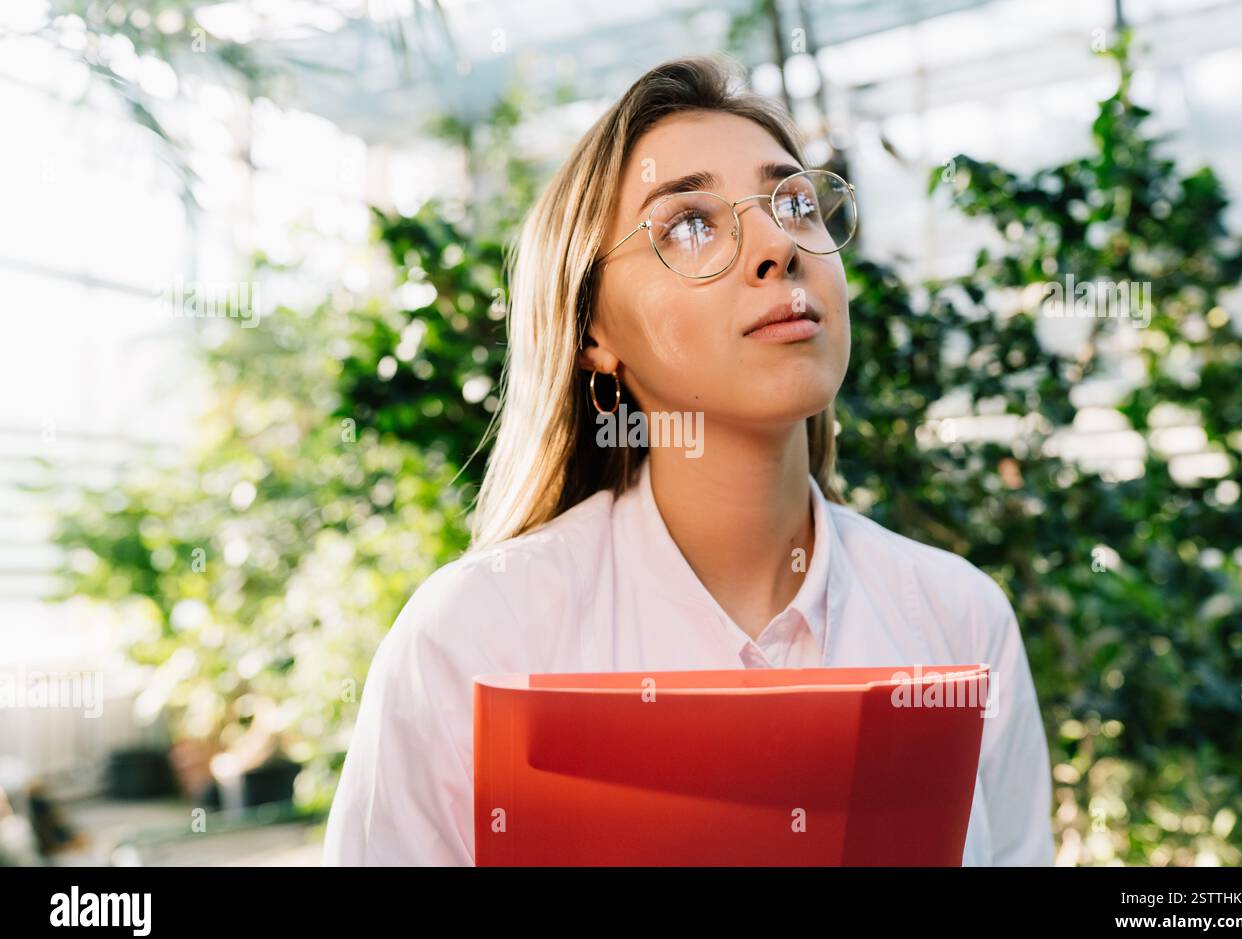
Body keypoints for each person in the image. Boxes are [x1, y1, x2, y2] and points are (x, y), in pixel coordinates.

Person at [322, 53, 1054, 867]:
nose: (779, 244)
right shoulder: (474, 638)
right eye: (690, 224)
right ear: (593, 333)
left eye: (795, 204)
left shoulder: (957, 621)